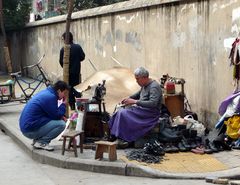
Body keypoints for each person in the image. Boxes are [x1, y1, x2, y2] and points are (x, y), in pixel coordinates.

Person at [108, 67, 162, 145]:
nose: (136, 81)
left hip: (150, 114)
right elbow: (137, 94)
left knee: (123, 113)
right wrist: (128, 98)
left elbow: (153, 103)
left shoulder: (154, 87)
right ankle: (115, 135)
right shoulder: (144, 85)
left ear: (144, 77)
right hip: (142, 110)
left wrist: (134, 102)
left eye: (137, 79)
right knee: (118, 112)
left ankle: (123, 139)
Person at [19, 80, 70, 151]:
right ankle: (42, 142)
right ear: (59, 91)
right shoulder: (51, 97)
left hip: (27, 127)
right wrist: (63, 104)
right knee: (61, 124)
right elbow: (56, 115)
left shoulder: (47, 93)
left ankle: (38, 141)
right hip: (29, 130)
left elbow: (50, 112)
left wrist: (61, 116)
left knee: (59, 121)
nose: (65, 95)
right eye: (64, 93)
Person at [59, 31, 85, 110]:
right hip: (76, 72)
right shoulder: (77, 47)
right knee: (77, 88)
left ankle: (72, 106)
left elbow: (61, 61)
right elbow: (82, 57)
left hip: (67, 73)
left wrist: (65, 68)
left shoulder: (63, 49)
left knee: (69, 89)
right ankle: (79, 106)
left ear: (66, 39)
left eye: (63, 39)